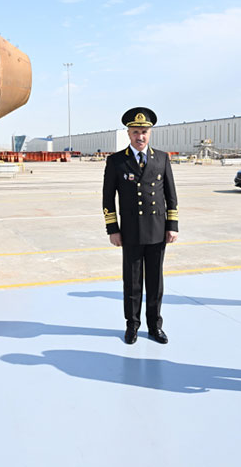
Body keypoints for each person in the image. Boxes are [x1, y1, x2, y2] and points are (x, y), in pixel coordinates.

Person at [102, 107, 179, 345]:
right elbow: (107, 198)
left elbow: (171, 195)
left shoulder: (162, 158)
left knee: (155, 283)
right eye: (135, 132)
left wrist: (172, 225)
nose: (140, 136)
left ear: (150, 133)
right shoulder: (116, 161)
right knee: (132, 283)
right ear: (128, 133)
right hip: (131, 232)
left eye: (144, 132)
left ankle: (155, 326)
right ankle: (132, 325)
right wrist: (113, 229)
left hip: (157, 230)